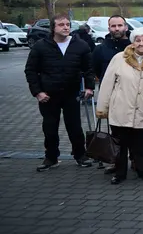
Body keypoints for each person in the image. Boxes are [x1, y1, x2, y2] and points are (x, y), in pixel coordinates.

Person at [25, 14, 94, 171]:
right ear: (53, 28)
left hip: (72, 93)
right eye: (61, 24)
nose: (66, 27)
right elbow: (30, 70)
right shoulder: (41, 46)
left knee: (75, 127)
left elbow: (88, 69)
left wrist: (89, 87)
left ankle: (80, 155)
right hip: (48, 95)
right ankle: (51, 157)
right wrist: (37, 92)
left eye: (68, 24)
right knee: (50, 128)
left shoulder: (80, 45)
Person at [95, 29, 143, 184]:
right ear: (132, 42)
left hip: (141, 110)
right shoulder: (119, 58)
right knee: (119, 144)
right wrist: (102, 107)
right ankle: (119, 173)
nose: (141, 43)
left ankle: (142, 170)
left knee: (139, 144)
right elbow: (107, 84)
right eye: (138, 40)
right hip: (120, 108)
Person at [91, 15, 132, 174]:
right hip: (111, 96)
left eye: (120, 25)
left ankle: (136, 161)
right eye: (113, 26)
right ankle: (117, 162)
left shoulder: (133, 46)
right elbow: (95, 69)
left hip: (131, 95)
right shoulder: (100, 48)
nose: (117, 29)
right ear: (109, 28)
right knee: (115, 132)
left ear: (125, 27)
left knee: (134, 131)